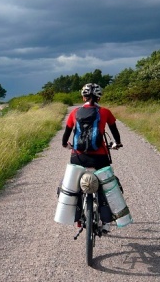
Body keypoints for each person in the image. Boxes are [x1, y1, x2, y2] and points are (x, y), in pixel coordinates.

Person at [61, 83, 122, 232]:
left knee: (75, 187)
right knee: (104, 187)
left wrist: (66, 145)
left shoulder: (74, 112)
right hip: (100, 157)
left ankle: (77, 219)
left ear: (83, 96)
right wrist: (116, 144)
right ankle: (106, 223)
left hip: (78, 157)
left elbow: (65, 138)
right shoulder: (106, 112)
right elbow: (115, 133)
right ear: (99, 97)